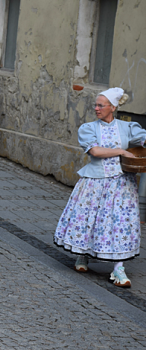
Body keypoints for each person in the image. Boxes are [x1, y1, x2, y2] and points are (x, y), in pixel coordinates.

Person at [54, 88, 145, 288]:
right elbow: (95, 151)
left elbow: (142, 139)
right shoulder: (88, 128)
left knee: (120, 223)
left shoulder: (128, 128)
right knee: (91, 219)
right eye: (95, 105)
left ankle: (118, 268)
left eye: (100, 105)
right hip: (95, 182)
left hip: (122, 184)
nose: (96, 108)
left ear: (112, 107)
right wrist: (121, 150)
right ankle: (82, 256)